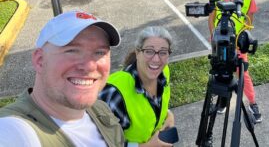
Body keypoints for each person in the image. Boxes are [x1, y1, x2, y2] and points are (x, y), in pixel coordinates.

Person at [0, 10, 124, 146]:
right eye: (72, 50)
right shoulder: (15, 131)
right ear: (40, 60)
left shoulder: (100, 109)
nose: (89, 66)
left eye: (100, 52)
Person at [99, 26, 175, 147]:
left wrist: (169, 116)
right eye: (149, 51)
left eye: (163, 52)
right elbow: (100, 143)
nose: (156, 59)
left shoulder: (164, 72)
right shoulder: (114, 93)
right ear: (138, 52)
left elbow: (154, 108)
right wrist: (147, 146)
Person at [207, 0, 262, 123]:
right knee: (221, 72)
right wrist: (214, 39)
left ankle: (252, 103)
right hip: (220, 42)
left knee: (243, 75)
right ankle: (223, 102)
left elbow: (249, 22)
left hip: (237, 44)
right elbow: (211, 18)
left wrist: (241, 40)